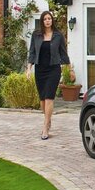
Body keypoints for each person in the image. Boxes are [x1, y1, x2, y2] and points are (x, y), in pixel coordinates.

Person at [27, 11, 70, 139]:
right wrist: (29, 69)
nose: (47, 21)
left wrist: (69, 69)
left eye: (49, 18)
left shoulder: (58, 36)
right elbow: (32, 52)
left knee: (49, 97)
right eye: (45, 19)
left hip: (54, 69)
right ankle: (48, 118)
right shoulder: (36, 35)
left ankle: (45, 127)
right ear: (42, 21)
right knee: (42, 100)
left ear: (52, 20)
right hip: (40, 70)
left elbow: (63, 53)